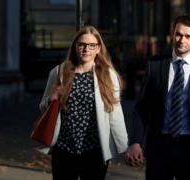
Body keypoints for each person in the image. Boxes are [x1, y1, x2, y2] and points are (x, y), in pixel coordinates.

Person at [125, 14, 190, 180]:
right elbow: (142, 108)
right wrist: (135, 142)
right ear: (173, 33)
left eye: (188, 36)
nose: (181, 40)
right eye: (178, 34)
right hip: (159, 147)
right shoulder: (155, 65)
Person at [39, 25, 128, 180]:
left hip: (94, 150)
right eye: (82, 44)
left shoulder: (107, 75)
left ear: (98, 48)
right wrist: (50, 99)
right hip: (64, 148)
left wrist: (126, 146)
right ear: (75, 47)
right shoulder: (59, 72)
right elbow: (43, 107)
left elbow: (115, 111)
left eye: (91, 45)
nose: (86, 49)